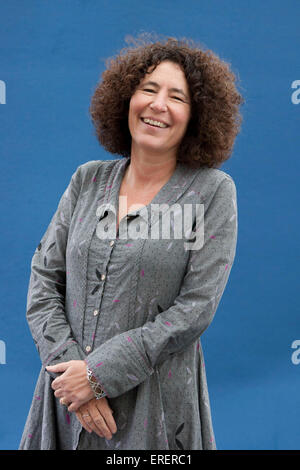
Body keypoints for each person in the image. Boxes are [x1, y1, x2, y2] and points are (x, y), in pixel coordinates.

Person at [19, 34, 244, 450]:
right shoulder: (87, 179)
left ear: (196, 116)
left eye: (177, 97)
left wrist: (99, 375)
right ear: (125, 99)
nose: (158, 105)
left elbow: (195, 308)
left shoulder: (213, 192)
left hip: (154, 408)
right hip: (65, 400)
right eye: (148, 89)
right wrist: (74, 379)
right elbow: (44, 281)